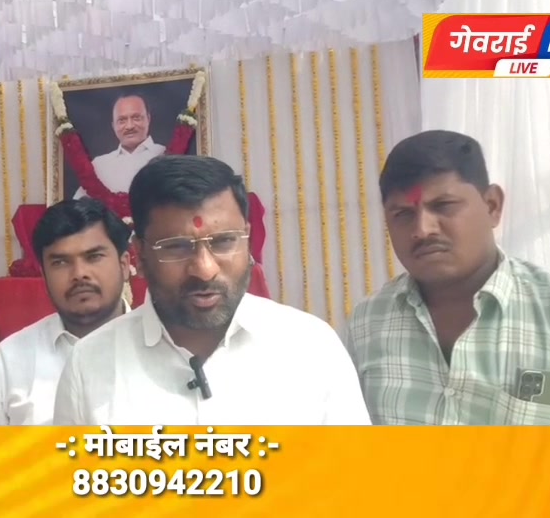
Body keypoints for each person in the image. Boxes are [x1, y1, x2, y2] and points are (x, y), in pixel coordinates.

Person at [54, 155, 371, 425]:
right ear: (140, 253)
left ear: (247, 239)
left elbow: (352, 476)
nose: (204, 269)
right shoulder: (89, 363)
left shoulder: (311, 347)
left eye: (223, 242)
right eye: (177, 247)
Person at [345, 130, 550, 425]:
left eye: (443, 206)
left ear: (492, 206)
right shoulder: (368, 324)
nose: (423, 229)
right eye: (403, 214)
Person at [0, 198, 132, 425]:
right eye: (60, 262)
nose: (79, 273)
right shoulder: (9, 360)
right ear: (44, 275)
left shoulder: (166, 349)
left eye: (94, 257)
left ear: (124, 265)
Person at [73, 93, 166, 199]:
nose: (129, 126)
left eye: (136, 118)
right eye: (122, 120)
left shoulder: (165, 155)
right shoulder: (100, 165)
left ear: (148, 119)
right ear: (113, 126)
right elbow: (78, 205)